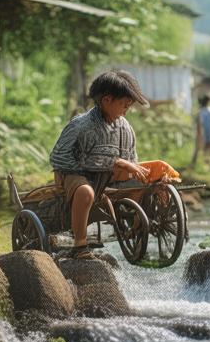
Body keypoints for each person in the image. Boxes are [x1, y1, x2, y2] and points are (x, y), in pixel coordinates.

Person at [49, 70, 149, 259]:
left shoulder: (125, 127)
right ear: (106, 100)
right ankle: (80, 246)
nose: (126, 110)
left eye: (129, 106)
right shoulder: (81, 125)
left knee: (144, 182)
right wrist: (116, 162)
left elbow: (130, 161)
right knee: (86, 192)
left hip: (106, 177)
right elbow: (59, 156)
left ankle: (133, 229)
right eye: (123, 105)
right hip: (75, 174)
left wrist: (131, 170)